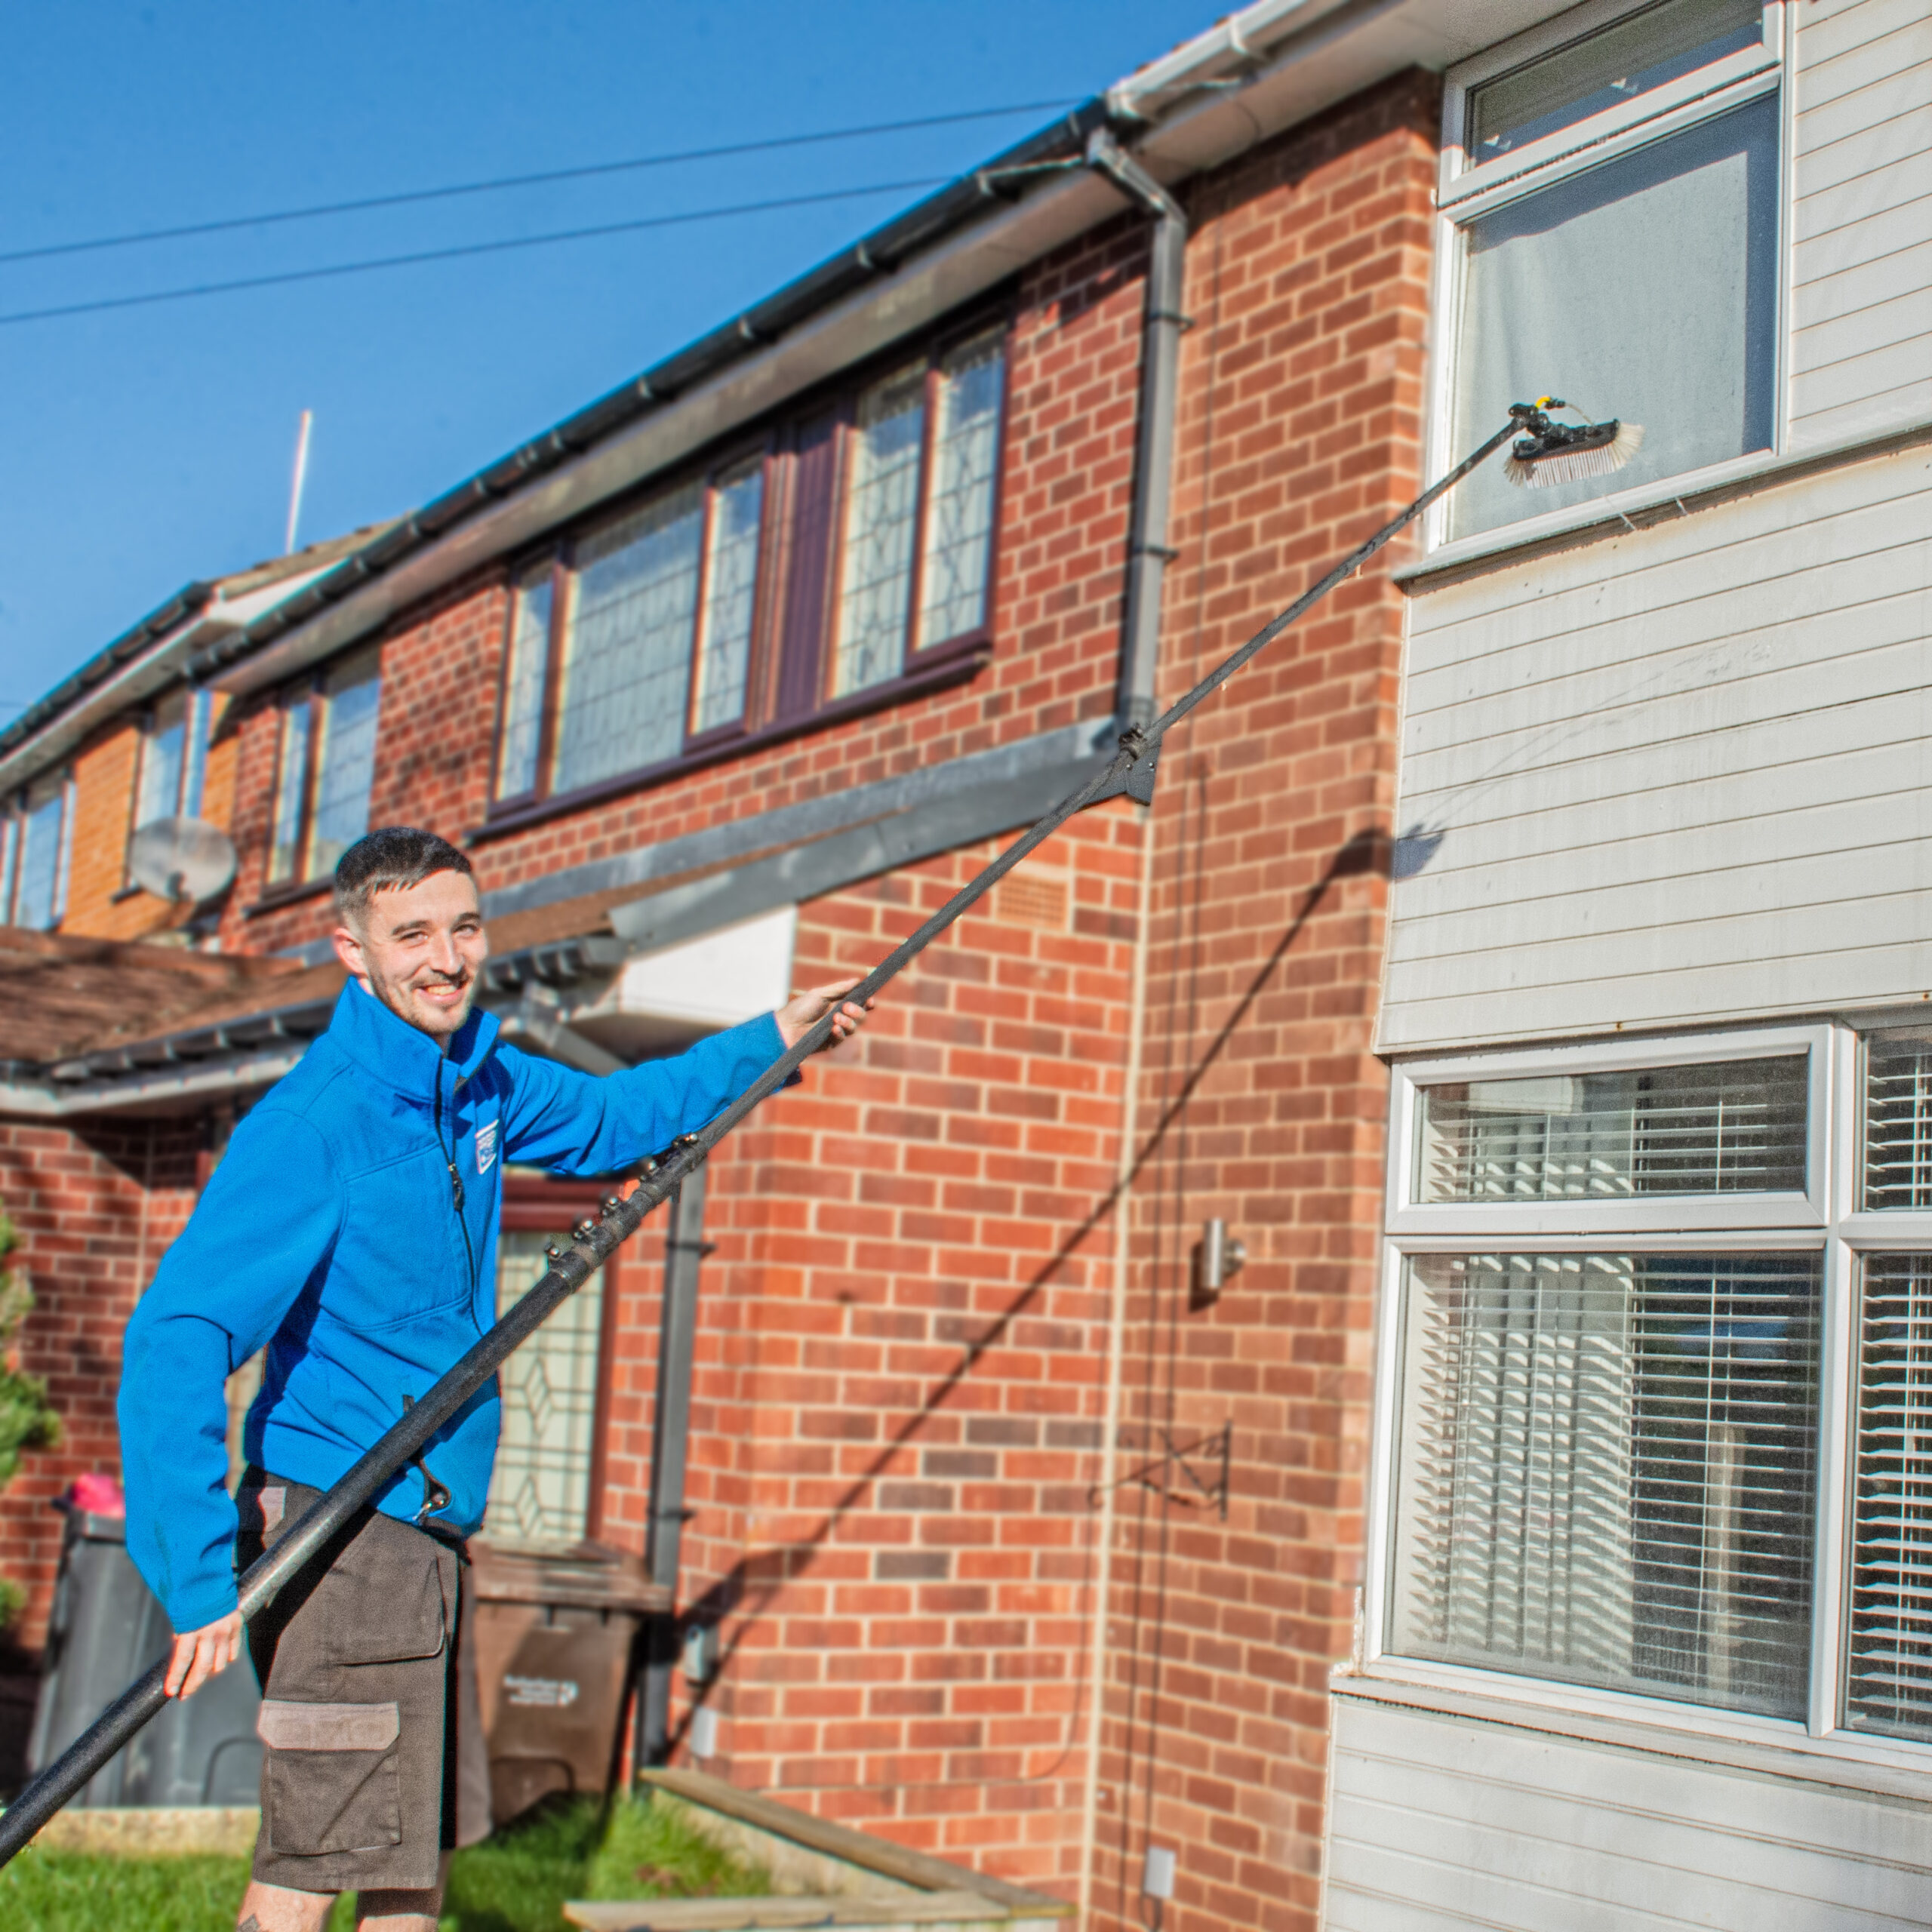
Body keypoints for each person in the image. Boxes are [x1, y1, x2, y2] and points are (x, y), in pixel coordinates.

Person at [118, 826, 869, 1932]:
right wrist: (190, 1578)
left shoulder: (481, 1081)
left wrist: (771, 1038)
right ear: (352, 952)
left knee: (408, 1865)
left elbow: (621, 1119)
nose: (446, 957)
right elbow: (174, 1337)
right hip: (343, 1531)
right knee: (313, 1865)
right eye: (411, 933)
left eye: (464, 927)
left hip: (417, 1537)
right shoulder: (317, 1126)